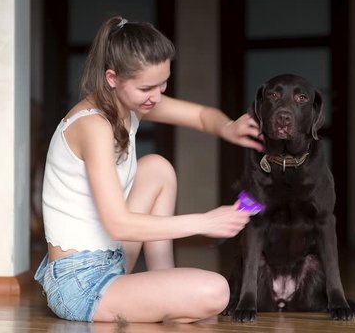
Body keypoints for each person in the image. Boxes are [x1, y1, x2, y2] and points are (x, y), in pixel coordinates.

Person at [34, 16, 264, 324]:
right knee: (216, 291)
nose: (156, 96)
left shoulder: (130, 102)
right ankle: (167, 298)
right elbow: (119, 225)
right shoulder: (93, 125)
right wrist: (204, 221)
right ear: (112, 78)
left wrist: (229, 128)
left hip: (111, 259)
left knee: (157, 168)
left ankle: (164, 281)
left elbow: (200, 115)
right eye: (146, 87)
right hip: (80, 284)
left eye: (163, 83)